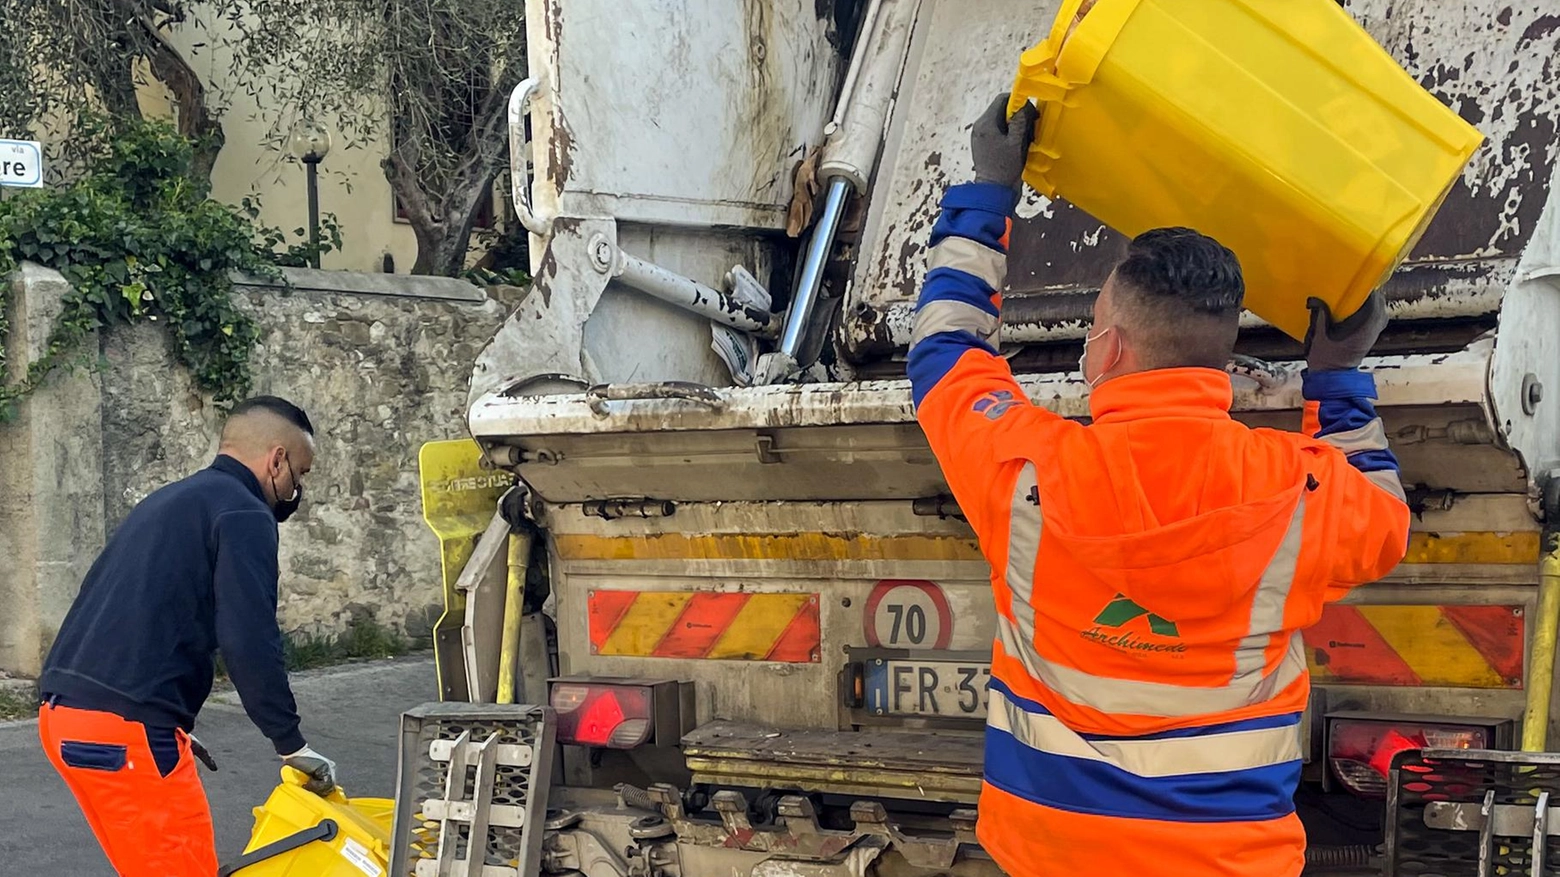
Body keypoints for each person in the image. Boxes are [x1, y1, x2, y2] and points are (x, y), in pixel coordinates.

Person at [907, 95, 1410, 877]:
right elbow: (1383, 517)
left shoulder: (1024, 473)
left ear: (1109, 348)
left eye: (1094, 324)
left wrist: (987, 194)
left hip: (1050, 860)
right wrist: (1337, 379)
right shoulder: (1297, 493)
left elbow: (945, 351)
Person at [37, 395, 339, 877]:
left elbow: (121, 606)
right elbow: (249, 638)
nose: (296, 489)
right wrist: (292, 744)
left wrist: (162, 713)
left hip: (66, 716)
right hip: (125, 731)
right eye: (299, 476)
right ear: (276, 459)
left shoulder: (170, 500)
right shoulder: (244, 514)